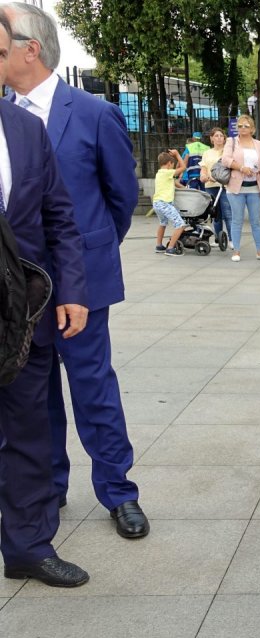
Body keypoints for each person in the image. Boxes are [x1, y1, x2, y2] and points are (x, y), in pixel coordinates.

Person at [2, 1, 147, 539]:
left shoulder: (92, 112)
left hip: (80, 281)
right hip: (18, 287)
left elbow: (121, 197)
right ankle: (48, 486)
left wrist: (87, 259)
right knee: (31, 396)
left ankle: (118, 492)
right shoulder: (5, 116)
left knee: (93, 388)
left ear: (29, 49)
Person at [0, 12, 91, 586]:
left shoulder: (24, 129)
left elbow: (59, 217)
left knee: (29, 433)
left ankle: (28, 547)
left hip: (21, 314)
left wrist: (73, 291)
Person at [221, 114, 260, 262]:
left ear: (252, 129)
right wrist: (241, 168)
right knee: (237, 220)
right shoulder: (231, 142)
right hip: (236, 188)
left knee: (256, 221)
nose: (242, 128)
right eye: (240, 126)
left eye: (246, 126)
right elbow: (225, 160)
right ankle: (236, 251)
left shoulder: (259, 144)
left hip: (255, 187)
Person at [198, 126, 233, 247]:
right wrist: (203, 175)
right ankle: (218, 239)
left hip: (225, 186)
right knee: (215, 214)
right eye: (216, 136)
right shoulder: (207, 153)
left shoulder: (228, 152)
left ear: (224, 138)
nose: (219, 138)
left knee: (228, 213)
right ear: (211, 138)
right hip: (210, 185)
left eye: (221, 136)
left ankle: (232, 240)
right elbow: (203, 168)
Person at [152, 150, 188, 256]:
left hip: (157, 203)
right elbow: (183, 168)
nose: (173, 167)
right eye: (172, 165)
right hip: (165, 204)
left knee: (163, 223)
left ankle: (159, 245)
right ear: (169, 164)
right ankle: (170, 248)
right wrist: (177, 155)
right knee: (180, 224)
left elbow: (174, 182)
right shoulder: (167, 172)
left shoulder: (160, 173)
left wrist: (185, 188)